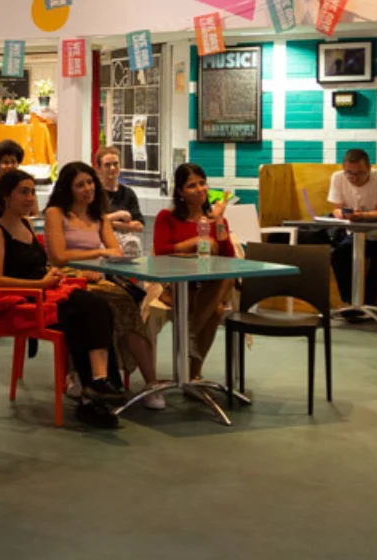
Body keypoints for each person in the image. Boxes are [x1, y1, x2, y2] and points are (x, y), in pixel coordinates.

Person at [0, 169, 124, 426]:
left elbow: (37, 265)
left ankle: (95, 388)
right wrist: (39, 283)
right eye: (23, 192)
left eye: (32, 192)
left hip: (43, 294)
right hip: (18, 303)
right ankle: (96, 387)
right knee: (89, 309)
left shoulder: (25, 225)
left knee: (94, 309)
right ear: (5, 196)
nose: (29, 198)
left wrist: (50, 274)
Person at [43, 163, 163, 407]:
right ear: (68, 189)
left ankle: (151, 383)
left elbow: (115, 251)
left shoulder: (99, 216)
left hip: (99, 276)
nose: (87, 189)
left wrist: (92, 257)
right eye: (80, 185)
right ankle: (85, 374)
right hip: (65, 279)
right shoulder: (55, 214)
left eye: (90, 183)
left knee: (128, 306)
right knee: (97, 307)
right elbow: (58, 257)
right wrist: (97, 252)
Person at [150, 162, 236, 381]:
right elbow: (160, 251)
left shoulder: (216, 219)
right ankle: (193, 372)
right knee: (215, 311)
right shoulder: (166, 217)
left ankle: (190, 338)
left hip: (208, 283)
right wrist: (195, 241)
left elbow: (228, 257)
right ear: (180, 192)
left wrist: (217, 222)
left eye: (202, 183)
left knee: (228, 275)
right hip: (177, 284)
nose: (200, 189)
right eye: (191, 186)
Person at [326, 148, 377, 314]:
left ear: (369, 169)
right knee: (339, 254)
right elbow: (337, 207)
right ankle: (351, 302)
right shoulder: (338, 178)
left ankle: (367, 303)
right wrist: (341, 215)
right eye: (349, 173)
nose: (354, 178)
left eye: (360, 173)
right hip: (356, 232)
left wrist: (362, 215)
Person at [94, 146, 146, 248]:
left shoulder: (128, 193)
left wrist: (111, 223)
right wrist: (119, 215)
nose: (112, 168)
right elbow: (92, 222)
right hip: (99, 241)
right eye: (107, 165)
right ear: (99, 169)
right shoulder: (94, 193)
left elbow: (139, 226)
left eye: (115, 164)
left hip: (126, 243)